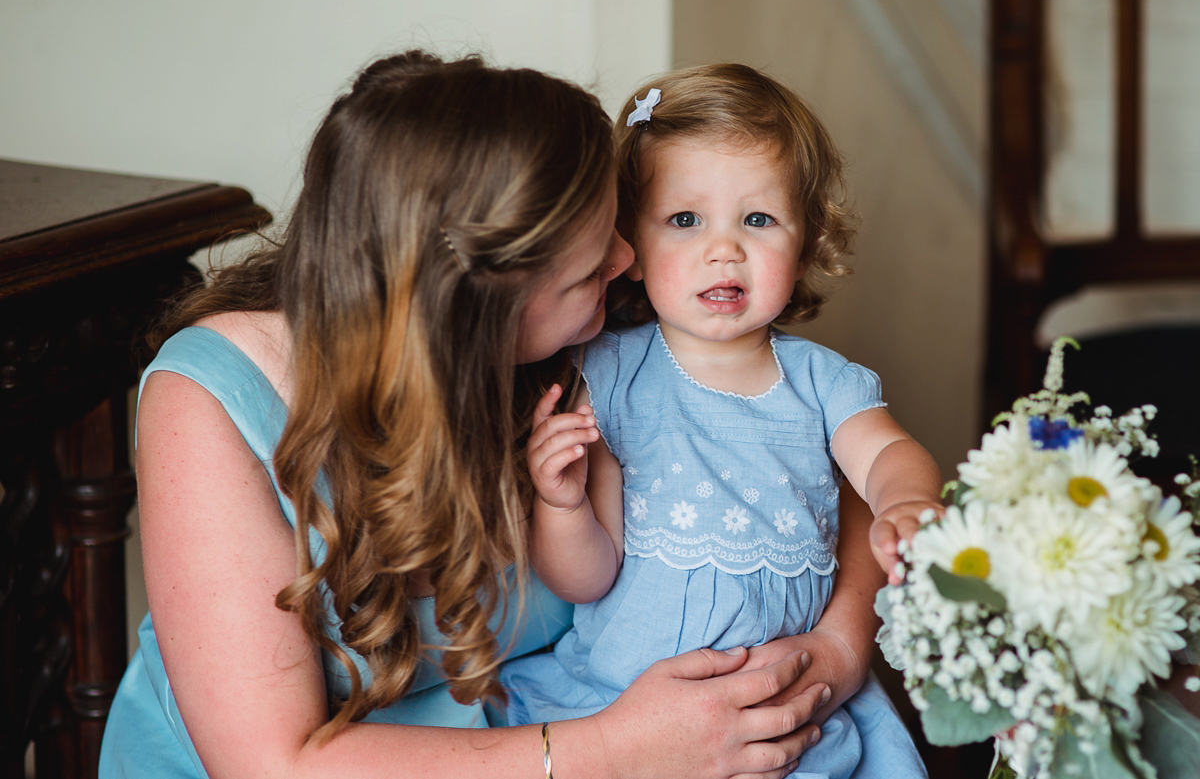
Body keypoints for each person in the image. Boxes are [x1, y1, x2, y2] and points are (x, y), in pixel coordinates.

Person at [98, 51, 871, 779]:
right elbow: (275, 762)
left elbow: (822, 466)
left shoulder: (592, 333)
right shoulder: (208, 401)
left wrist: (836, 649)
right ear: (477, 310)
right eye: (586, 266)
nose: (627, 258)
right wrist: (616, 746)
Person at [501, 64, 942, 778]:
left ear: (806, 244)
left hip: (786, 717)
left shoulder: (822, 381)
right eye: (685, 219)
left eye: (758, 219)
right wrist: (561, 504)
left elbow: (887, 452)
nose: (723, 247)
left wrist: (908, 500)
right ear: (629, 248)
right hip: (622, 704)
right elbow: (588, 575)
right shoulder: (610, 373)